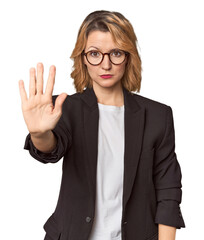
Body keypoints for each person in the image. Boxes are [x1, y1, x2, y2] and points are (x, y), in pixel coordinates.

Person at [18, 10, 185, 240]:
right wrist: (39, 133)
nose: (105, 64)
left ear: (128, 56)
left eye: (116, 53)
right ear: (83, 58)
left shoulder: (158, 116)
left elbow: (168, 189)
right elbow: (51, 148)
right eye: (95, 53)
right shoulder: (65, 108)